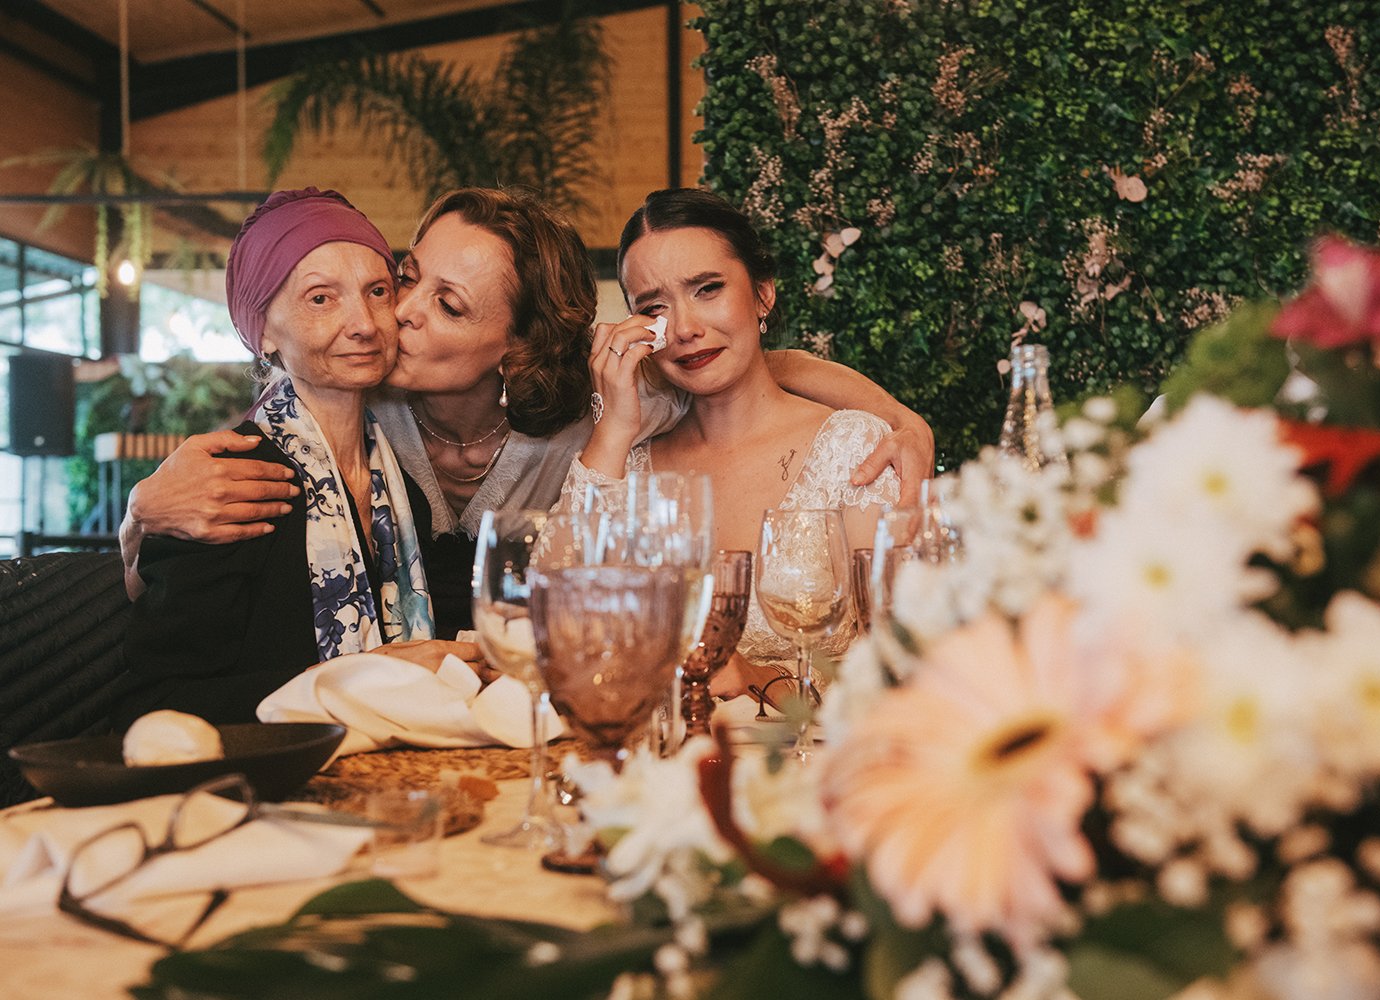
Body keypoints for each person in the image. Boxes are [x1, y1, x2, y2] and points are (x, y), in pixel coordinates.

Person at [119, 188, 934, 635]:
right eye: (407, 277)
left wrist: (898, 418)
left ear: (513, 348)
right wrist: (140, 507)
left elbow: (747, 368)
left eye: (449, 305)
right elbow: (255, 443)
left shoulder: (597, 404)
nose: (395, 314)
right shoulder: (357, 391)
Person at [116, 188, 473, 726]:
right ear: (261, 332)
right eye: (320, 299)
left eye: (377, 291)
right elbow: (157, 706)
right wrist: (364, 678)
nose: (364, 324)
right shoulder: (225, 487)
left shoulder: (404, 496)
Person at [564, 187, 901, 698]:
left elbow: (898, 678)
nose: (684, 329)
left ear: (763, 294)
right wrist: (612, 428)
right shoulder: (627, 470)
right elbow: (561, 630)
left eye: (707, 289)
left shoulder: (853, 449)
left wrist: (758, 680)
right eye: (654, 307)